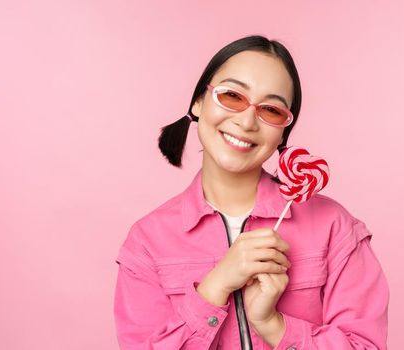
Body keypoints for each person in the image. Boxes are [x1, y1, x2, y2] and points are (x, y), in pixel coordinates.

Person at [114, 35, 389, 350]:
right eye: (231, 95)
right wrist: (213, 290)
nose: (246, 121)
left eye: (271, 110)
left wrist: (275, 326)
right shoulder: (147, 243)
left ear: (284, 129)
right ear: (198, 103)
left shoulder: (334, 228)